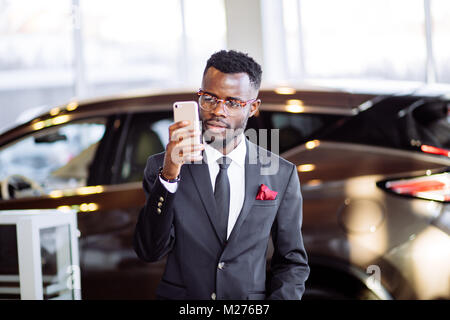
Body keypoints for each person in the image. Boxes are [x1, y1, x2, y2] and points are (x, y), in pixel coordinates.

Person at [133, 50, 309, 300]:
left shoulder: (281, 174)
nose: (218, 111)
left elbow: (292, 262)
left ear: (253, 108)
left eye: (233, 103)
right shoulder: (162, 167)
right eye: (210, 99)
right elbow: (149, 251)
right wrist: (169, 176)